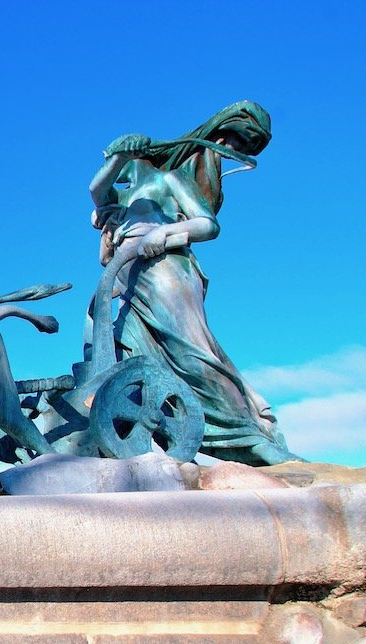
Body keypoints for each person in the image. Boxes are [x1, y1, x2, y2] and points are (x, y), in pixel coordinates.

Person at [87, 101, 299, 465]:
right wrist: (119, 155)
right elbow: (96, 188)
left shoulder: (169, 180)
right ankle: (141, 441)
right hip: (123, 279)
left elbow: (207, 225)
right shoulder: (119, 197)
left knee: (193, 354)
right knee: (108, 351)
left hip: (165, 270)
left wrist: (169, 231)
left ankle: (249, 436)